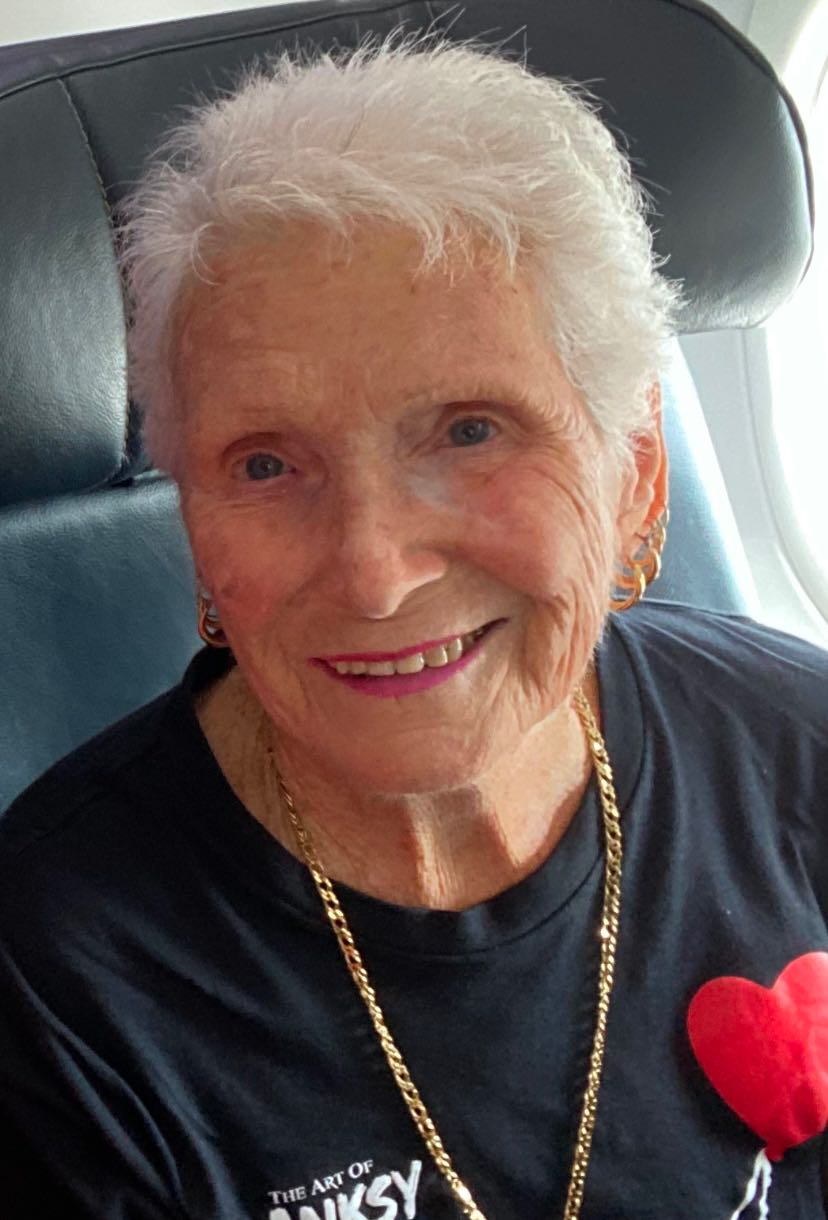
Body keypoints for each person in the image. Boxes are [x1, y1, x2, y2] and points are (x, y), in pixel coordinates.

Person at [1, 27, 827, 1220]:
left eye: (470, 430)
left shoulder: (800, 748)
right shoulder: (58, 978)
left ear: (637, 472)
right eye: (267, 461)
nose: (374, 573)